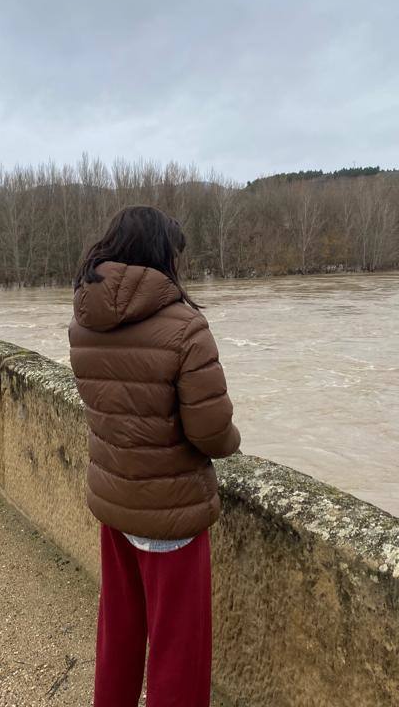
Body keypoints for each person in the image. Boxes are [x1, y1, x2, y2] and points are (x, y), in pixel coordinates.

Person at [69, 205, 241, 707]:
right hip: (170, 513)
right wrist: (232, 442)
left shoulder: (84, 321)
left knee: (119, 632)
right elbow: (211, 433)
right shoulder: (185, 328)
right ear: (162, 256)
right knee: (178, 649)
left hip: (115, 501)